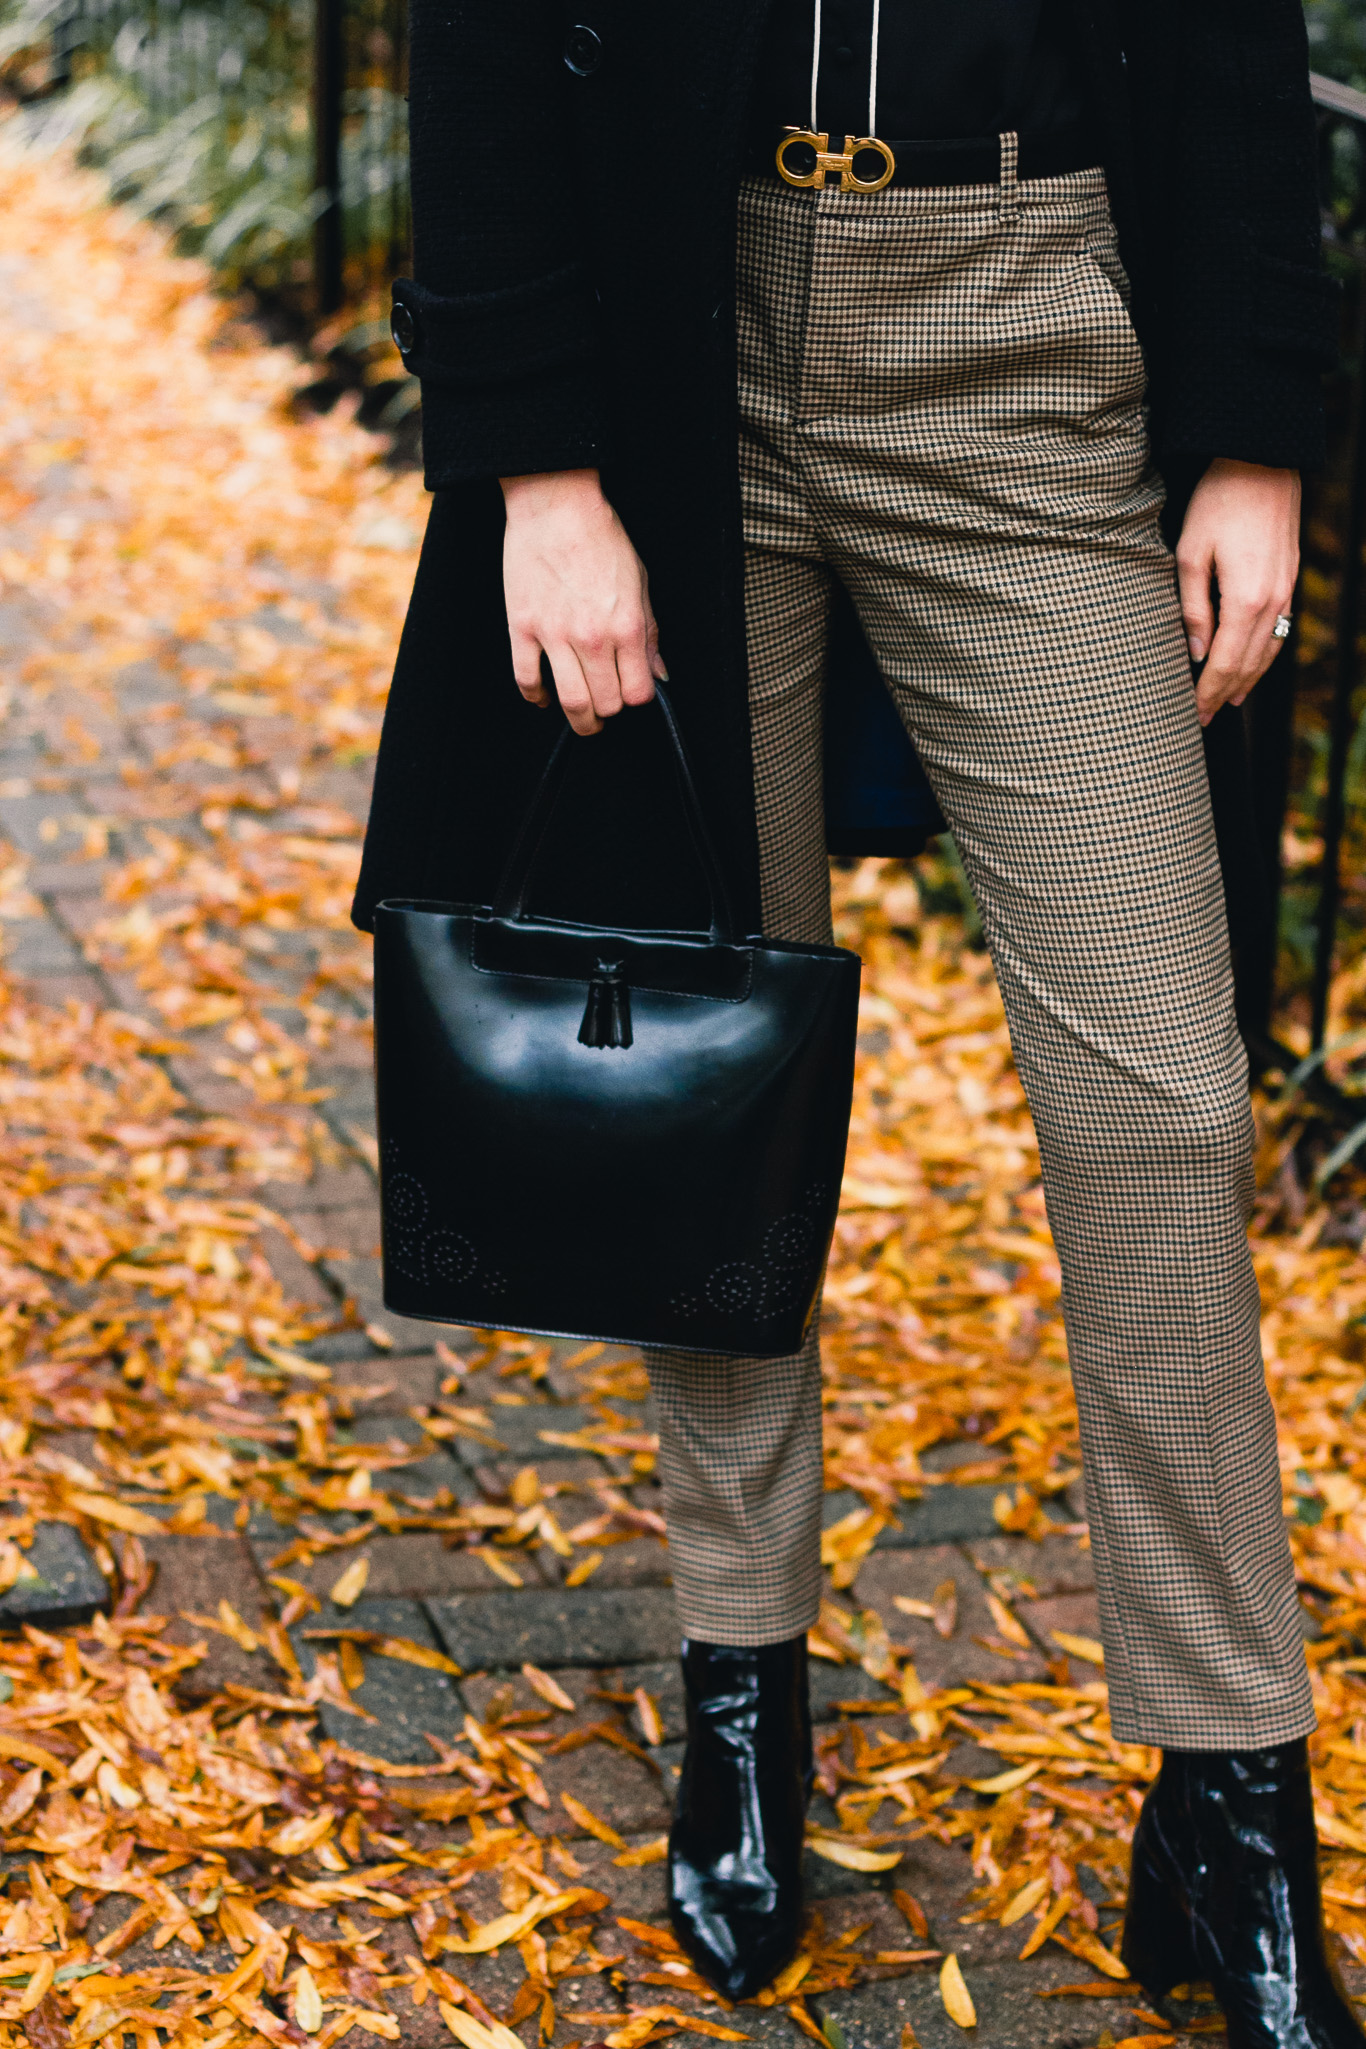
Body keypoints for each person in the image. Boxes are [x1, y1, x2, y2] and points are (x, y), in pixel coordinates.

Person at [353, 2, 1358, 2037]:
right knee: (707, 1063)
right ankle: (742, 1688)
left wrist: (1251, 425)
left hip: (1037, 331)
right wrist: (536, 465)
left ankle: (1231, 1796)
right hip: (676, 328)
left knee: (1159, 1096)